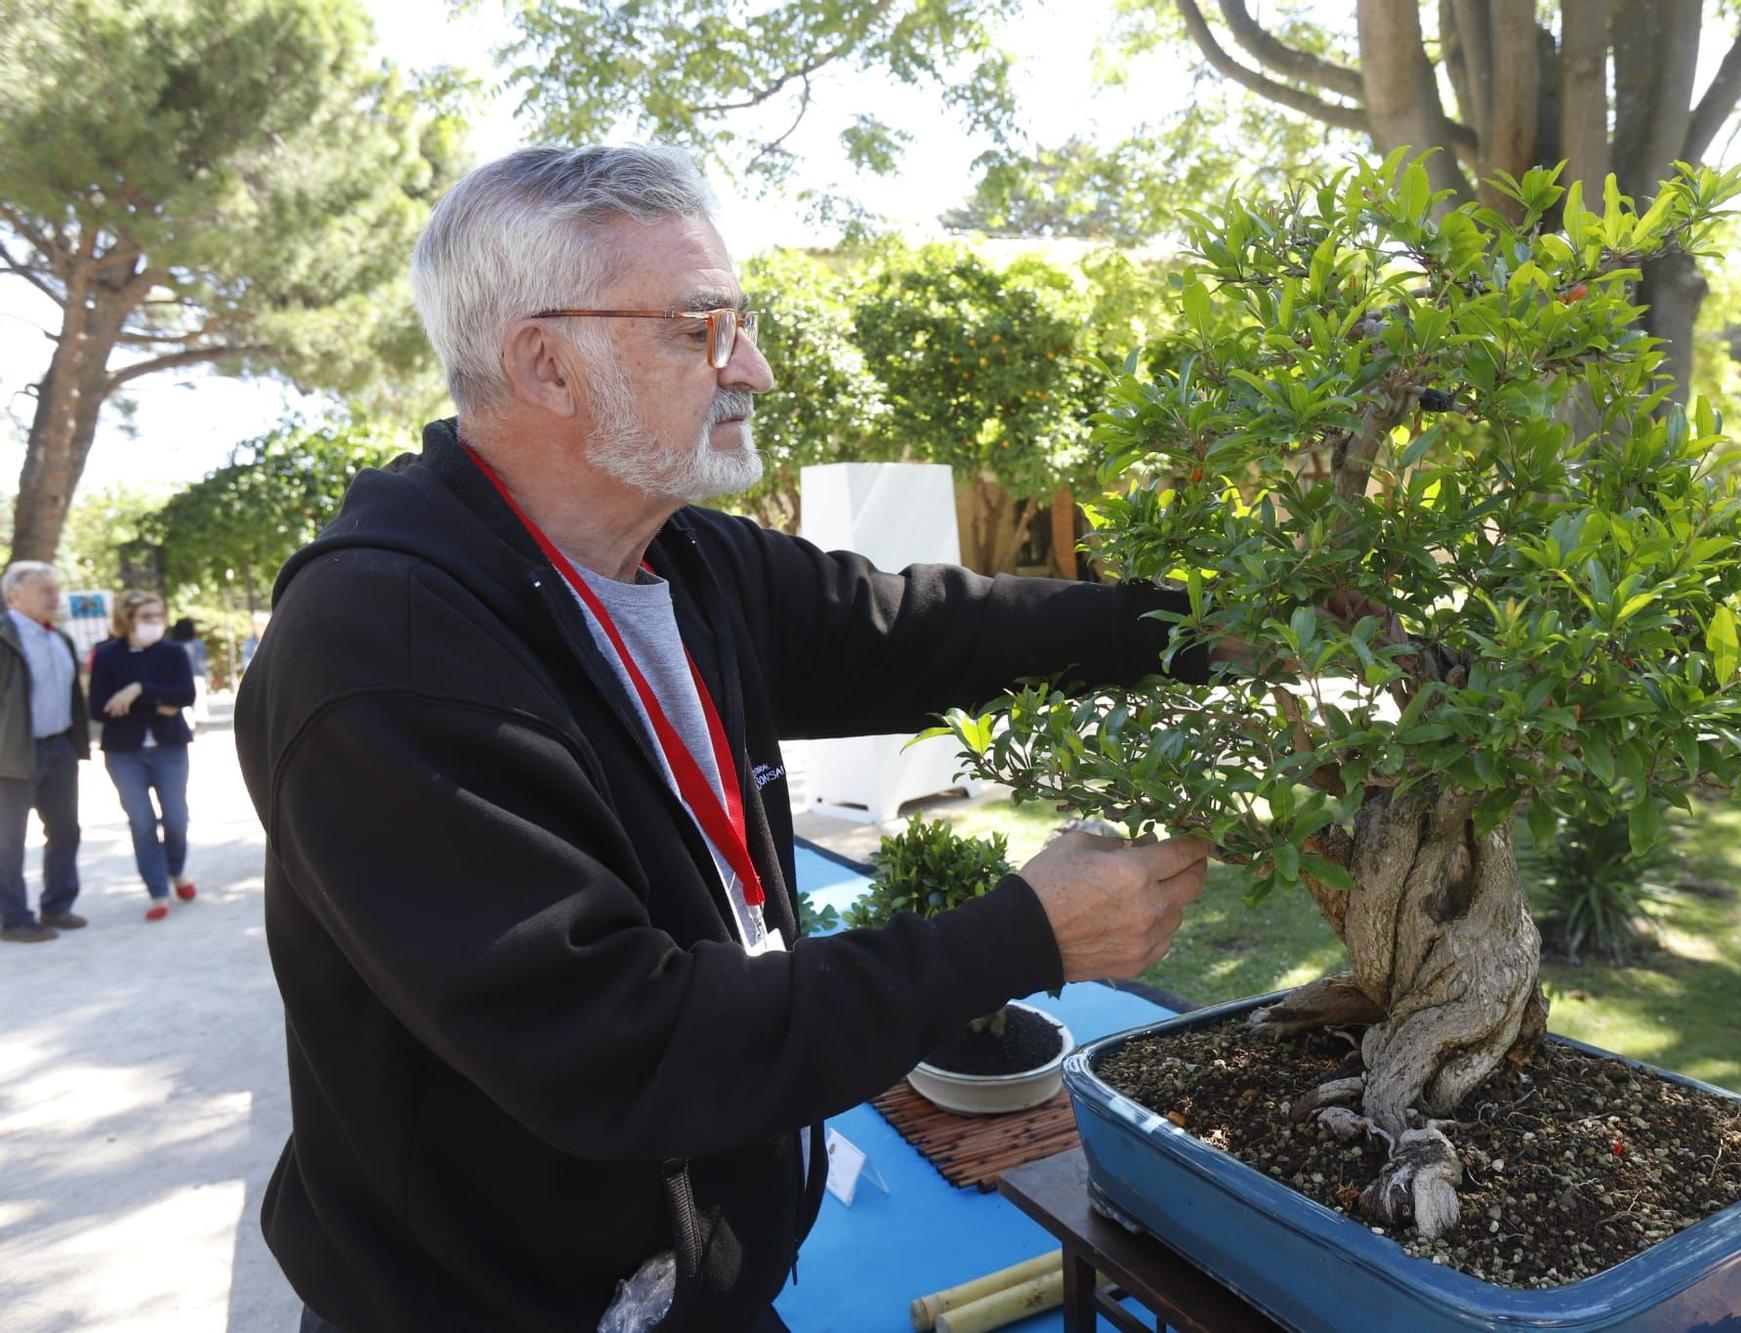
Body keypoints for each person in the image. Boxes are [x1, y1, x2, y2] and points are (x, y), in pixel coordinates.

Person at [236, 145, 1214, 1333]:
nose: (748, 367)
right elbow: (627, 1049)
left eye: (739, 323)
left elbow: (935, 633)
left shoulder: (685, 559)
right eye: (699, 329)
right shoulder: (383, 655)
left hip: (697, 1290)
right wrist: (1019, 934)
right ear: (544, 361)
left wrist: (1232, 624)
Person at [89, 590, 198, 922]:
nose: (155, 622)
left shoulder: (174, 652)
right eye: (147, 617)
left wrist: (137, 690)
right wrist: (158, 703)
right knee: (142, 823)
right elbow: (100, 709)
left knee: (176, 819)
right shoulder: (106, 655)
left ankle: (176, 870)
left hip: (170, 748)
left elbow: (185, 695)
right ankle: (158, 891)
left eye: (158, 615)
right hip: (125, 754)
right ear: (127, 620)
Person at [0, 561, 91, 943]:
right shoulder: (5, 638)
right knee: (8, 841)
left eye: (55, 590)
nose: (55, 598)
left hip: (58, 748)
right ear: (15, 596)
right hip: (12, 754)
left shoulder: (61, 639)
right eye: (45, 592)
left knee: (66, 831)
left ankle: (56, 905)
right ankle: (13, 919)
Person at [169, 616, 211, 725]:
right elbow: (202, 662)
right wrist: (205, 676)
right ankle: (198, 728)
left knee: (185, 707)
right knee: (198, 704)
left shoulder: (172, 645)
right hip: (196, 676)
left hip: (179, 678)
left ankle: (190, 726)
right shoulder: (197, 644)